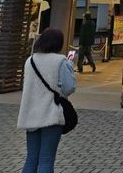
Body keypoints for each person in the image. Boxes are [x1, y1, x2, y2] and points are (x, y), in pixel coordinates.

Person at [17, 28, 77, 173]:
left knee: (31, 159)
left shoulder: (30, 61)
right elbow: (69, 87)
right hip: (51, 113)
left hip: (31, 114)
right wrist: (70, 67)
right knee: (46, 160)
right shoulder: (60, 61)